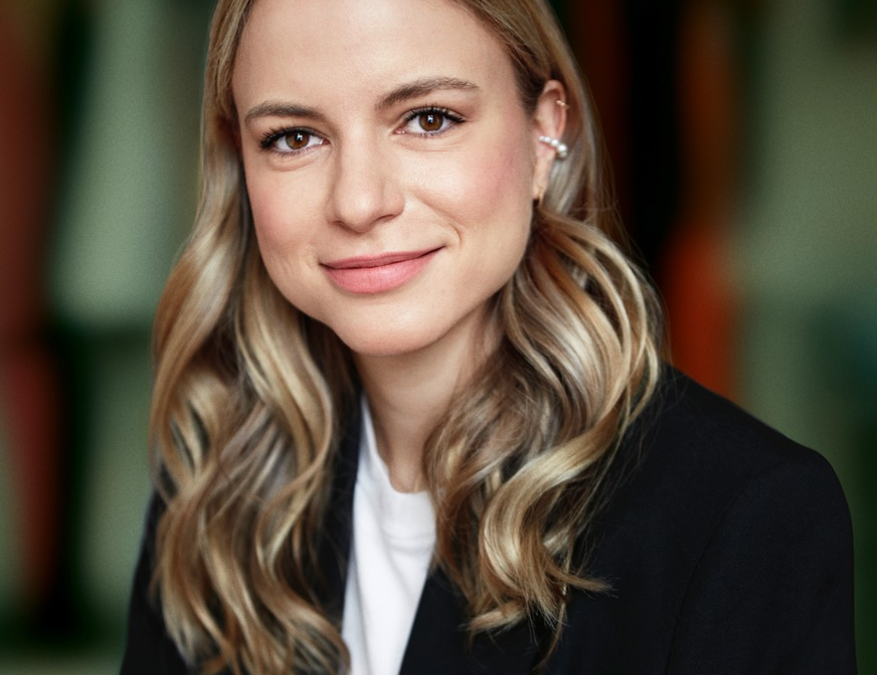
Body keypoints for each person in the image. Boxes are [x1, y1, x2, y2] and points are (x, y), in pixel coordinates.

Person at [120, 0, 856, 672]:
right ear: (239, 164)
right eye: (294, 137)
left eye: (428, 118)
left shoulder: (744, 518)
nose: (358, 200)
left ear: (545, 133)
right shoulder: (215, 484)